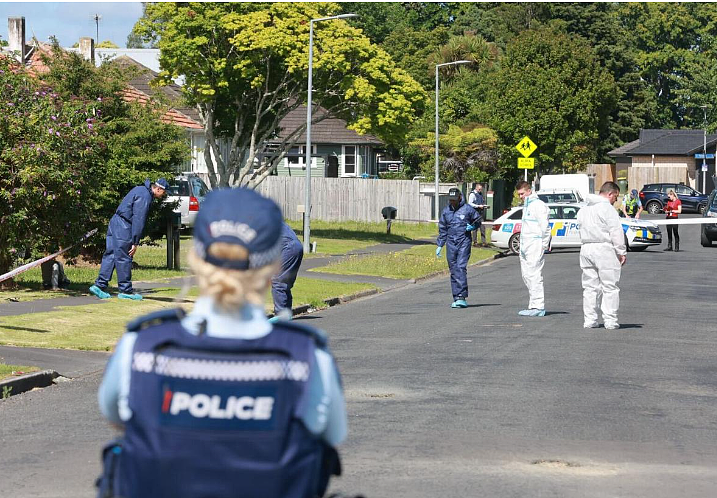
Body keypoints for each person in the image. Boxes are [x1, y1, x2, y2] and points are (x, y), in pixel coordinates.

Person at [96, 188, 347, 498]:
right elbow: (330, 436)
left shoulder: (141, 347)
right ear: (272, 265)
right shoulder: (307, 357)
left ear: (196, 257)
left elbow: (115, 415)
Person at [89, 178, 168, 301]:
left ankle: (99, 285)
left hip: (115, 221)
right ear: (158, 189)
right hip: (124, 226)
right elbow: (138, 219)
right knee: (124, 257)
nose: (164, 195)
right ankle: (125, 291)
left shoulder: (139, 189)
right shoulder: (145, 196)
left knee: (111, 254)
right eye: (164, 192)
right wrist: (135, 242)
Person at [577, 181, 627, 330]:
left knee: (589, 287)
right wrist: (621, 252)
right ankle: (610, 320)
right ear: (610, 194)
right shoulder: (607, 209)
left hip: (586, 248)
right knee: (610, 286)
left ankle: (590, 320)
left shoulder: (584, 209)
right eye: (615, 197)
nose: (615, 201)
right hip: (604, 248)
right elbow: (616, 232)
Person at [436, 187, 479, 308]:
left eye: (454, 200)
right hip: (451, 242)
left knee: (460, 267)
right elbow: (443, 229)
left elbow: (478, 220)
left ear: (460, 197)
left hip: (463, 241)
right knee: (453, 268)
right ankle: (456, 296)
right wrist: (440, 244)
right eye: (451, 200)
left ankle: (461, 296)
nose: (452, 202)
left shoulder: (467, 209)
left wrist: (473, 226)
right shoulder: (446, 211)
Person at [515, 180, 551, 317]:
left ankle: (538, 305)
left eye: (522, 193)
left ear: (529, 191)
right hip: (526, 245)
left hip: (535, 244)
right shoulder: (527, 206)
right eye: (519, 194)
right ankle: (533, 304)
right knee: (527, 275)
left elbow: (545, 227)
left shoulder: (538, 205)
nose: (520, 196)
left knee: (534, 275)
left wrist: (543, 244)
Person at [270, 222, 304, 320]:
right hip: (295, 246)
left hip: (288, 248)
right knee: (285, 283)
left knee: (278, 281)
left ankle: (281, 316)